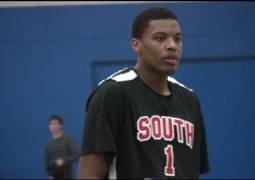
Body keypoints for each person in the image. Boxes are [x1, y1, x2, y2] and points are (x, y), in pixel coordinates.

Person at [78, 7, 209, 179]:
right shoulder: (113, 93)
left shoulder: (190, 99)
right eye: (160, 38)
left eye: (178, 39)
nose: (172, 46)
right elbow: (89, 174)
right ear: (136, 45)